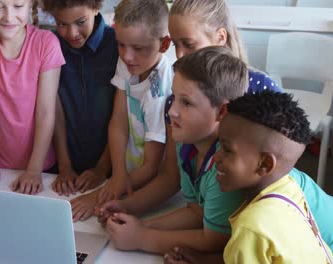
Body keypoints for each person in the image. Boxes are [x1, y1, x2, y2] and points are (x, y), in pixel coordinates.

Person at [98, 0, 283, 228]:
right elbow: (170, 177)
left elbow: (279, 176)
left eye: (188, 44)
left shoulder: (261, 90)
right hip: (212, 222)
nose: (180, 55)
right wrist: (128, 207)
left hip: (259, 223)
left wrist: (143, 232)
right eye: (176, 44)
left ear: (220, 37)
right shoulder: (174, 103)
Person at [104, 46, 247, 254]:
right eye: (174, 97)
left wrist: (142, 238)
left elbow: (215, 240)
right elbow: (196, 212)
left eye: (186, 103)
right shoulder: (187, 141)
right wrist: (136, 223)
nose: (172, 111)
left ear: (222, 111)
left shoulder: (227, 166)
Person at [164, 91, 333, 264]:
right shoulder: (289, 188)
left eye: (227, 150)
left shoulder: (252, 227)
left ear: (265, 164)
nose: (216, 157)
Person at [68, 0, 173, 222]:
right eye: (121, 45)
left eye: (137, 48)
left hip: (150, 189)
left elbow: (152, 167)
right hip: (126, 178)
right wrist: (116, 174)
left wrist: (98, 195)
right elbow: (118, 121)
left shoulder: (160, 90)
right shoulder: (130, 63)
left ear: (164, 44)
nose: (127, 56)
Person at [0, 0, 65, 195]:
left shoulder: (46, 43)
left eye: (18, 6)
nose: (8, 17)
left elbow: (45, 112)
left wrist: (34, 170)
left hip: (41, 167)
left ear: (30, 4)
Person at [41, 0, 118, 197]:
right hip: (62, 169)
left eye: (81, 22)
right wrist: (65, 166)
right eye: (61, 24)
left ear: (96, 8)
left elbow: (122, 116)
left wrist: (101, 169)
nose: (72, 33)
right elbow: (53, 108)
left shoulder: (119, 44)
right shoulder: (49, 44)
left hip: (112, 170)